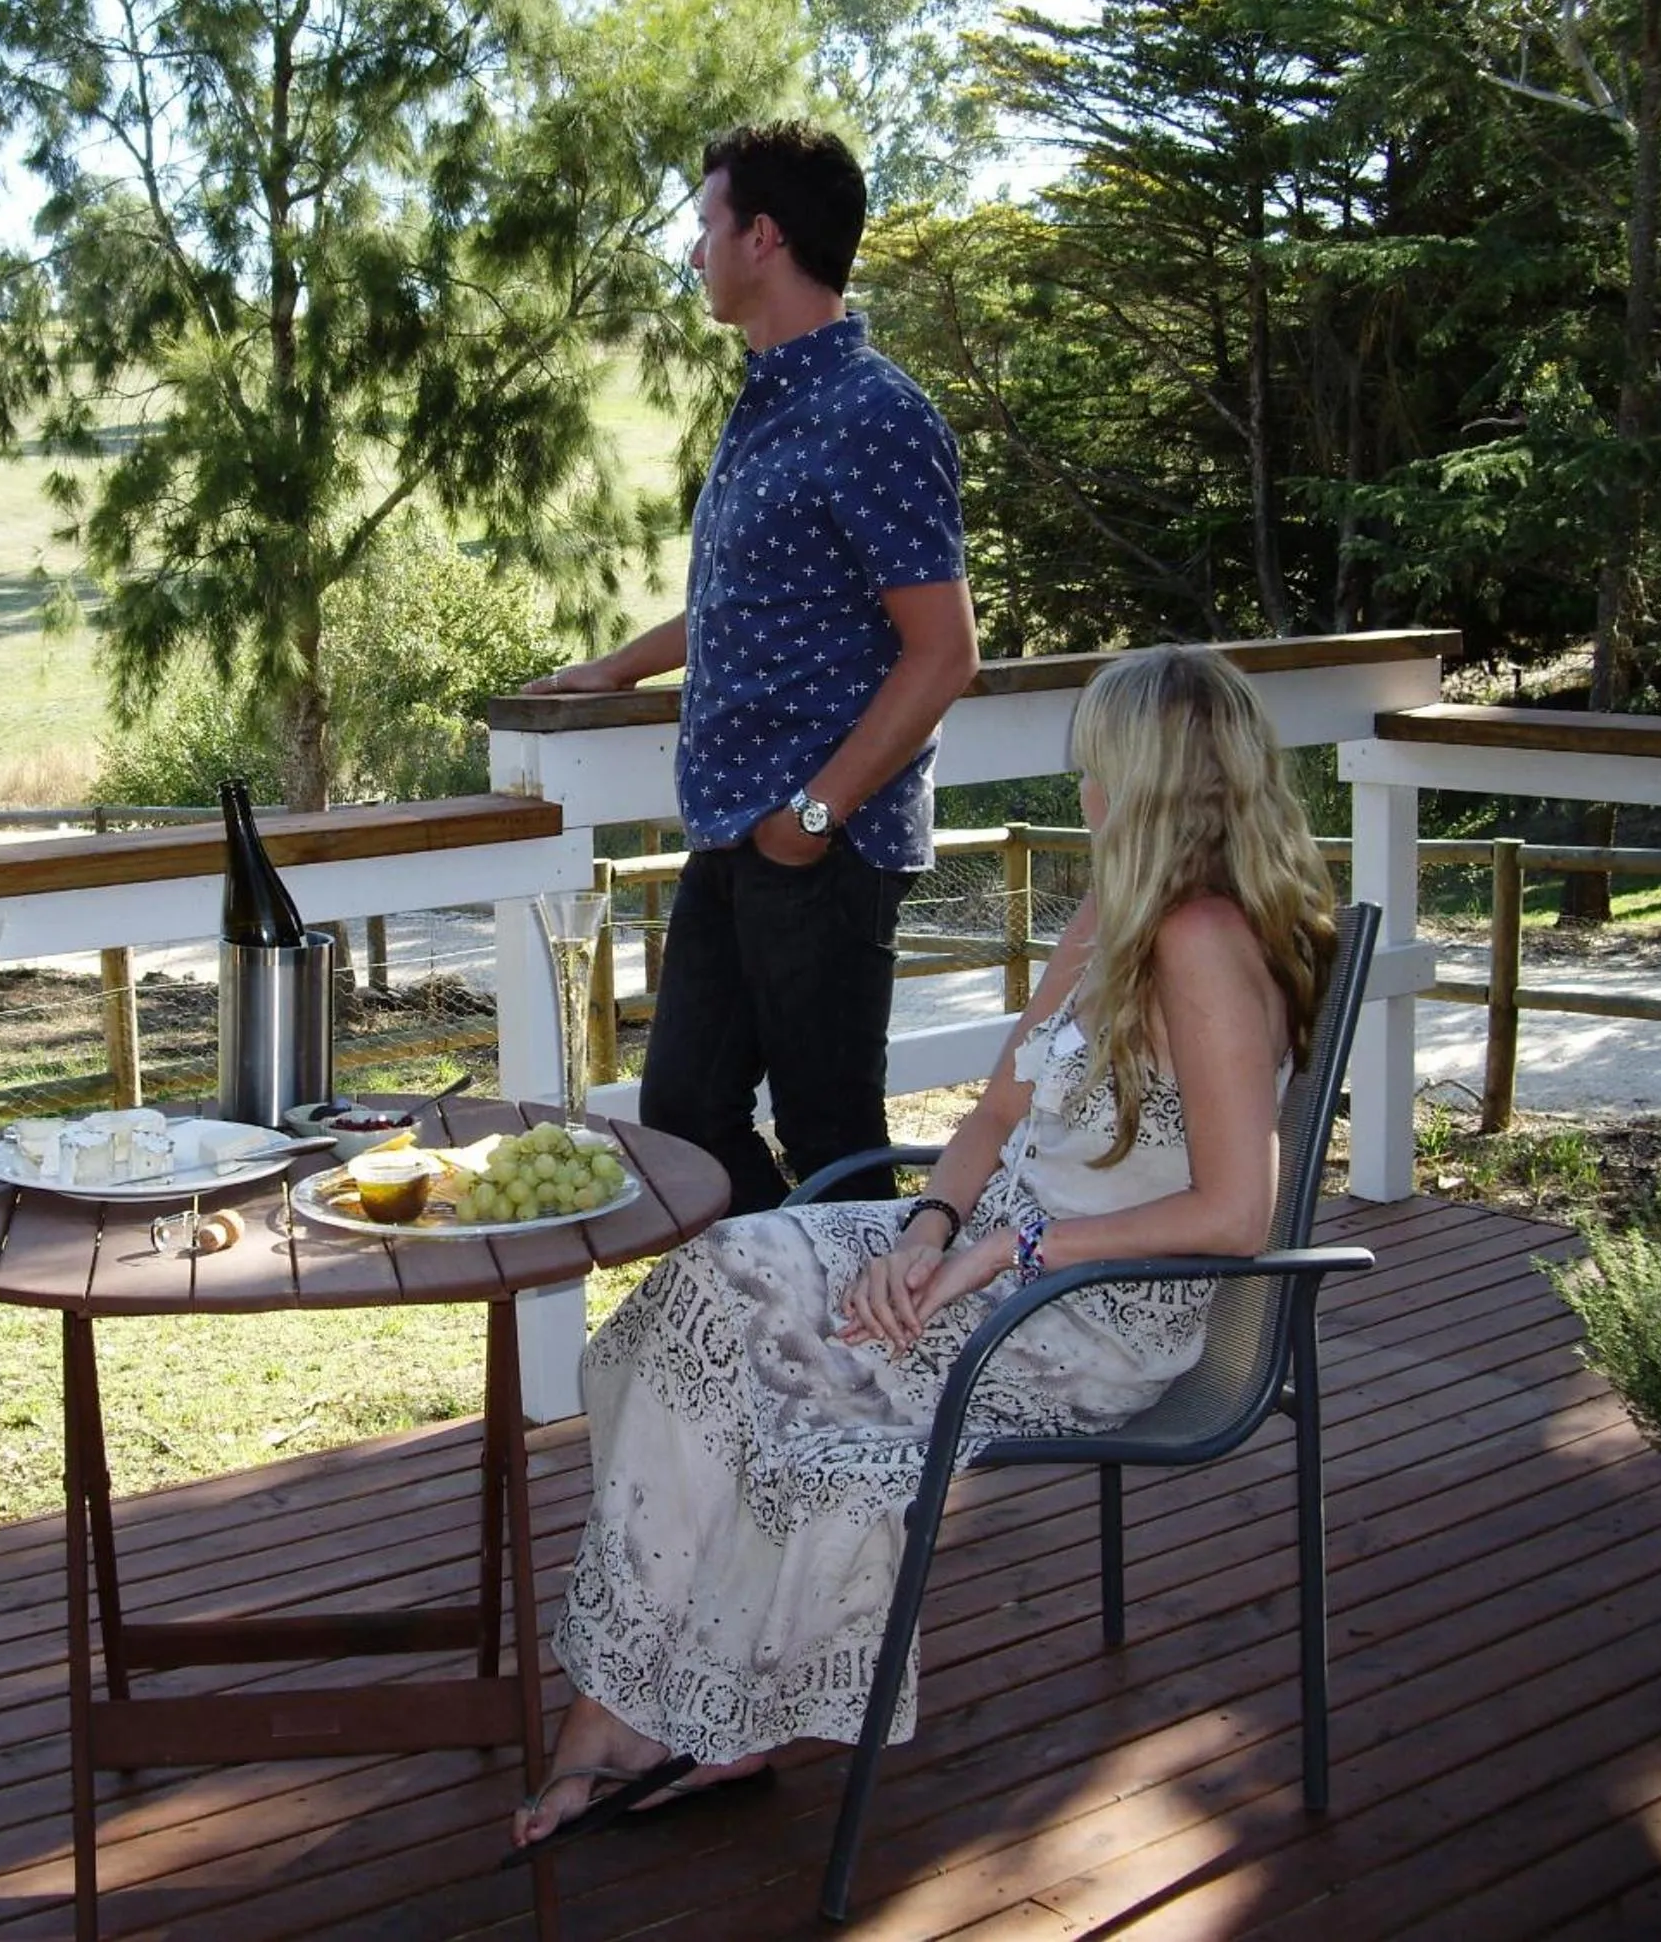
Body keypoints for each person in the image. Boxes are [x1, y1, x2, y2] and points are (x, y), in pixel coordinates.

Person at [509, 644, 1338, 1854]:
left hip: (1095, 1311)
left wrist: (1005, 1249)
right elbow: (996, 1119)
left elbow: (1233, 1216)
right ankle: (652, 1697)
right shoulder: (1117, 911)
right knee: (718, 1276)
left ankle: (659, 1716)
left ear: (1148, 778)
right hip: (995, 1258)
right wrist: (933, 1228)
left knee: (794, 1373)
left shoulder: (1203, 943)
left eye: (1094, 763)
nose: (1081, 787)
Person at [525, 122, 979, 1216]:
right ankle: (802, 1316)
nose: (694, 253)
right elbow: (749, 598)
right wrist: (617, 669)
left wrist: (813, 817)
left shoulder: (876, 413)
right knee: (683, 1110)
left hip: (823, 841)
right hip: (734, 831)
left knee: (832, 1134)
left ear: (762, 236)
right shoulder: (770, 400)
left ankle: (873, 1362)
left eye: (705, 227)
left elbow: (946, 652)